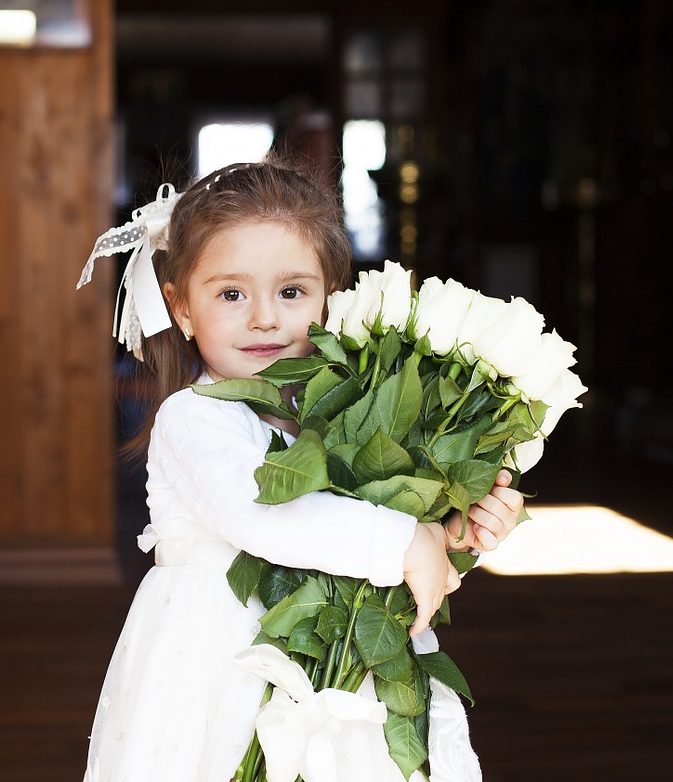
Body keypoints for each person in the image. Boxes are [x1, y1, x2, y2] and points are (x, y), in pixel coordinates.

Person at [75, 159, 526, 782]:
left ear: (329, 298)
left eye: (291, 292)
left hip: (341, 681)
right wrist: (401, 542)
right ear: (180, 307)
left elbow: (365, 540)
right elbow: (260, 514)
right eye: (231, 294)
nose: (264, 317)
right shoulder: (195, 418)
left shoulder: (340, 415)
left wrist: (450, 532)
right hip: (221, 673)